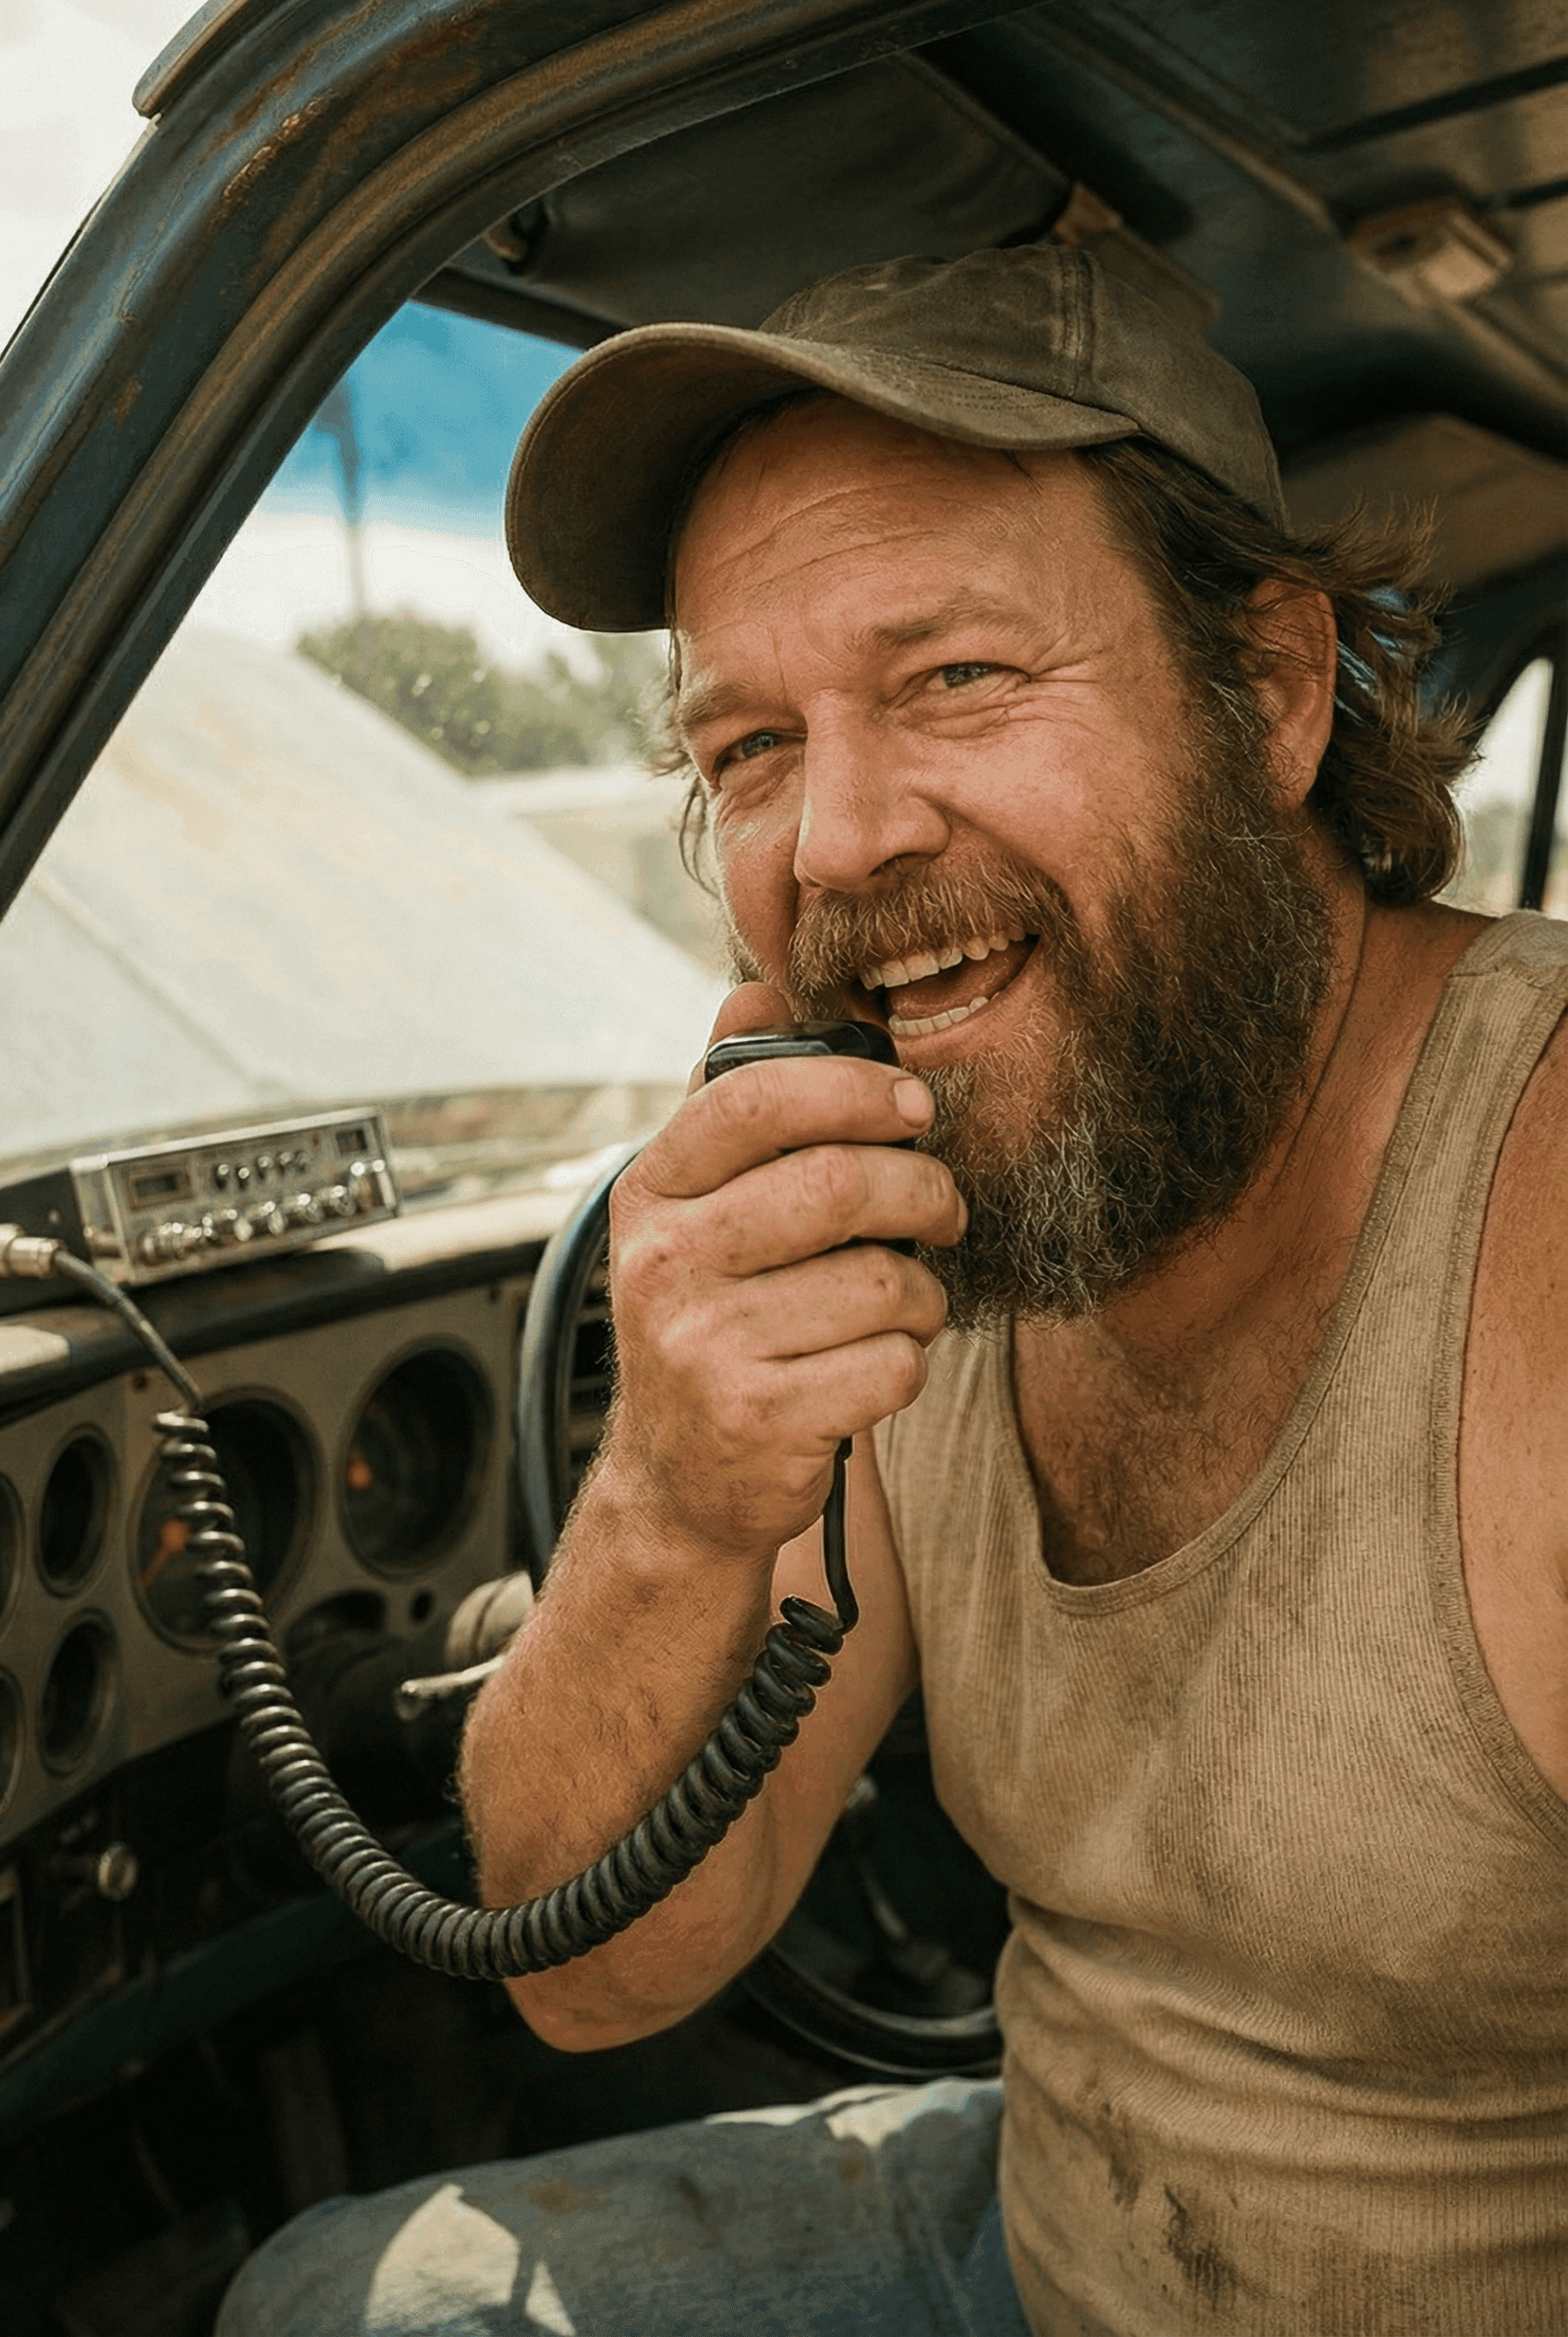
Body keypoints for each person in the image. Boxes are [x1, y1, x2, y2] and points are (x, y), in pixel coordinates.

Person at [219, 246, 1568, 2334]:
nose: (834, 841)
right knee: (335, 2300)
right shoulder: (917, 1188)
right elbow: (592, 1965)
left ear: (1277, 690)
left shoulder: (1538, 1208)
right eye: (748, 743)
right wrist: (672, 1493)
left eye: (954, 679)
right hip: (1042, 2226)